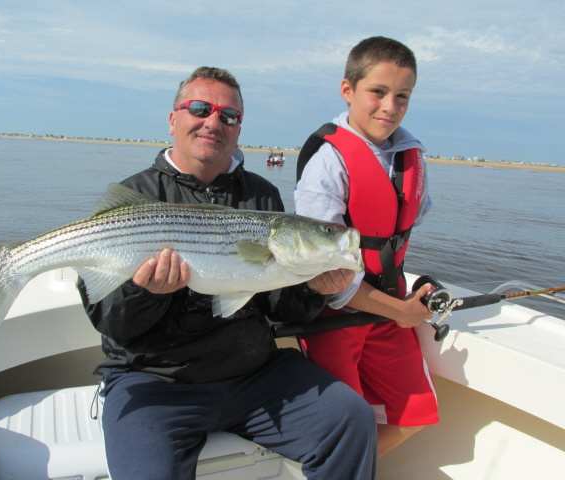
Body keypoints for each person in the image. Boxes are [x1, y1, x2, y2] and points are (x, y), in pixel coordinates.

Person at [79, 66, 377, 480]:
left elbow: (279, 305)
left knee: (351, 420)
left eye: (228, 115)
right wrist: (147, 292)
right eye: (200, 108)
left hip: (254, 375)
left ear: (238, 129)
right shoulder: (136, 198)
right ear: (173, 119)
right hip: (154, 380)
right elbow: (112, 323)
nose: (213, 122)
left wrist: (313, 288)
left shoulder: (261, 194)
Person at [294, 37, 439, 458]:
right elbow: (328, 275)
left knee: (415, 415)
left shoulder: (412, 157)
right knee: (348, 421)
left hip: (390, 309)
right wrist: (402, 312)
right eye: (377, 92)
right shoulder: (328, 162)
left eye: (402, 96)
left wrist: (403, 303)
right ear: (348, 91)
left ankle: (350, 468)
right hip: (335, 314)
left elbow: (404, 228)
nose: (389, 107)